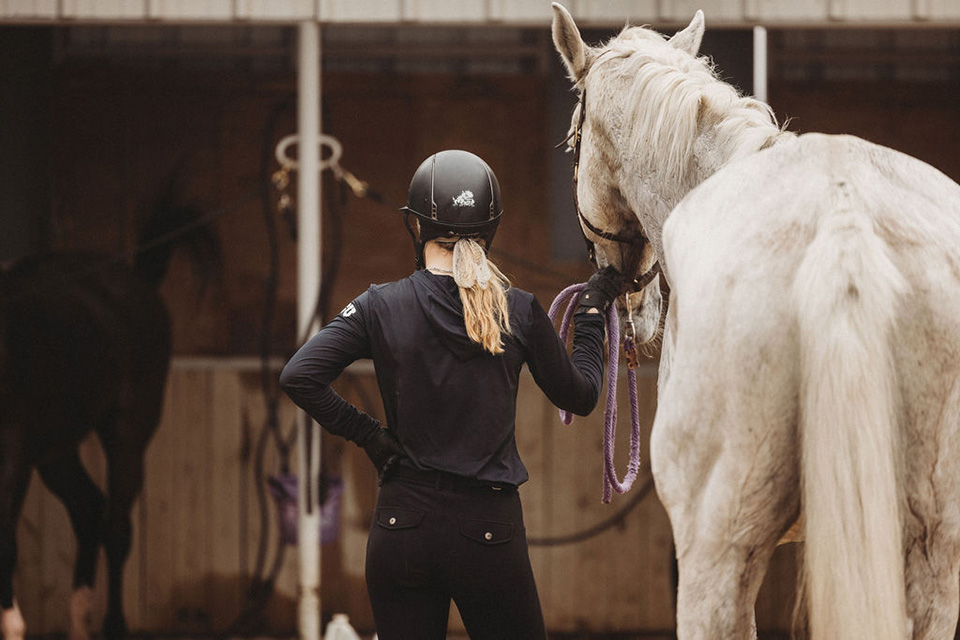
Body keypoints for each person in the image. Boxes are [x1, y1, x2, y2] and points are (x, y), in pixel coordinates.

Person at [279, 149, 622, 640]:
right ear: (492, 227)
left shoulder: (380, 304)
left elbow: (300, 375)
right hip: (488, 530)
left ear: (414, 227)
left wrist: (371, 437)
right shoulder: (519, 311)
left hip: (403, 525)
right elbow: (583, 395)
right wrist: (589, 318)